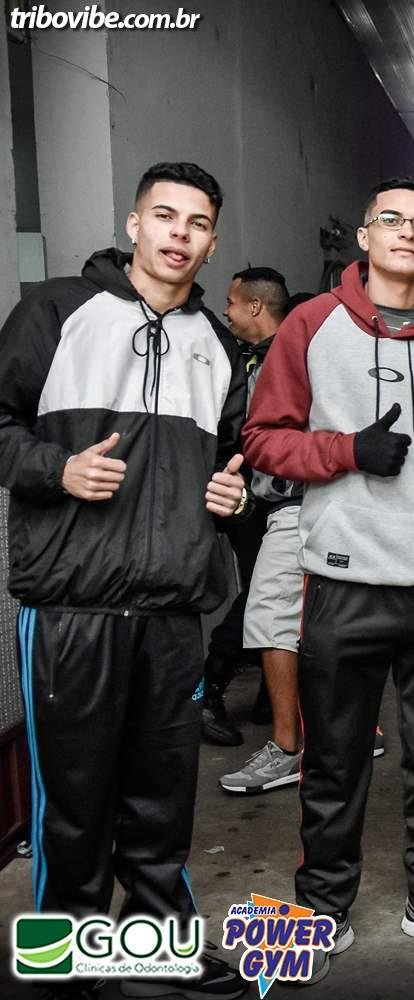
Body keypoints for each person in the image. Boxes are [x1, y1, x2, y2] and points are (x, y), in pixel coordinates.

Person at [242, 177, 414, 979]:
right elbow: (262, 438)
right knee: (335, 761)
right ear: (364, 235)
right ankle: (322, 908)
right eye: (391, 219)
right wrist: (347, 450)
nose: (406, 232)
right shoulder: (311, 326)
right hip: (344, 580)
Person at [0, 161, 248, 999]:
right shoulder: (57, 312)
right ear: (135, 224)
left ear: (212, 241)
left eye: (197, 222)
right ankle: (65, 964)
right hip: (72, 602)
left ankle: (159, 946)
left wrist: (237, 495)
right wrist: (56, 468)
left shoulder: (218, 344)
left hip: (173, 608)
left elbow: (234, 462)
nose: (180, 233)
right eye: (165, 216)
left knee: (162, 799)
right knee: (74, 803)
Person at [200, 267, 292, 747]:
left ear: (255, 306)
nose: (226, 311)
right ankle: (210, 690)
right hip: (244, 501)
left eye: (232, 302)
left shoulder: (292, 357)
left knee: (266, 597)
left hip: (275, 500)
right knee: (262, 596)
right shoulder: (237, 358)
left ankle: (241, 695)